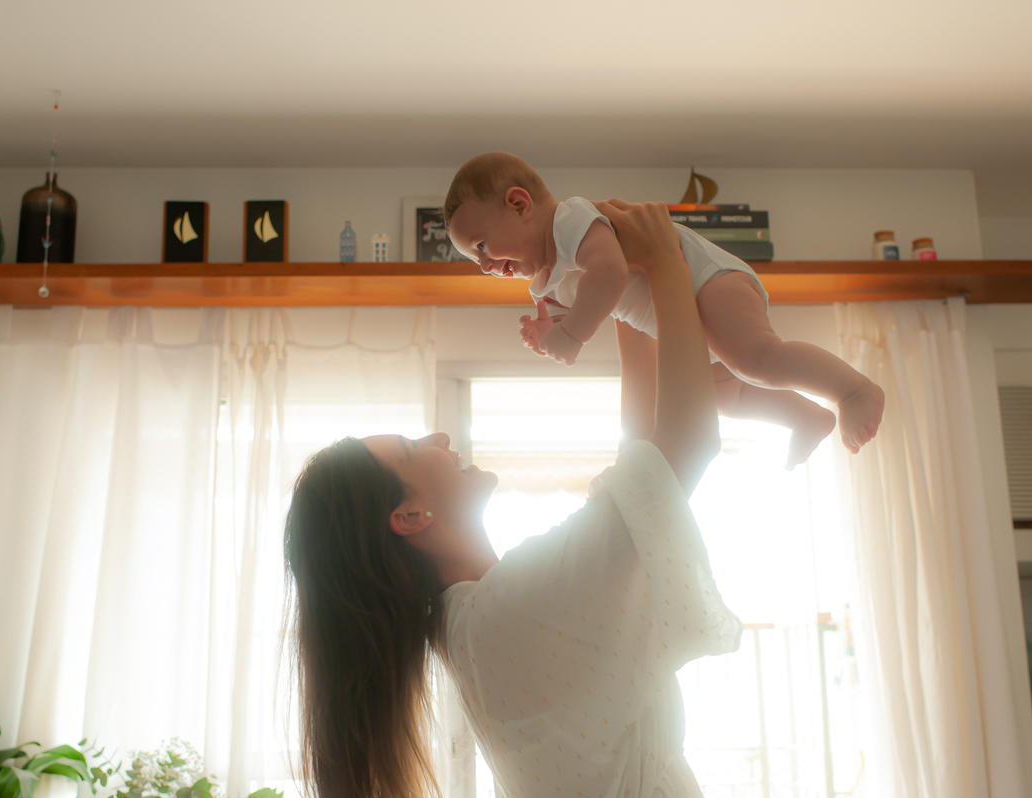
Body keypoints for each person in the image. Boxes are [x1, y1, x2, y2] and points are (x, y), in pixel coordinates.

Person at [283, 200, 741, 797]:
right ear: (410, 516)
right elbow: (682, 450)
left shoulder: (471, 623)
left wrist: (630, 298)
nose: (438, 438)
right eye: (412, 448)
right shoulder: (508, 609)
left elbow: (642, 480)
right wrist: (664, 267)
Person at [444, 151, 885, 468]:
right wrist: (548, 333)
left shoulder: (571, 222)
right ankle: (806, 417)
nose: (483, 265)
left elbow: (610, 273)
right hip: (684, 322)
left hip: (706, 281)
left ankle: (852, 391)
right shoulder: (545, 280)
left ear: (519, 205)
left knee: (757, 359)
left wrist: (572, 335)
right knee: (724, 397)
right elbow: (576, 314)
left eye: (481, 245)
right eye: (473, 259)